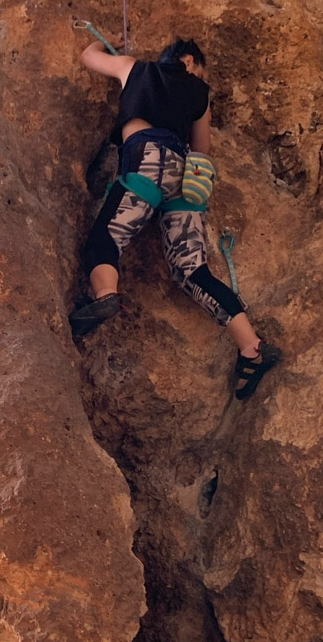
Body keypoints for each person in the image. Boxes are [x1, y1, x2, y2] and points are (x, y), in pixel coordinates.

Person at [70, 36, 281, 399]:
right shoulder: (199, 93)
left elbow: (89, 56)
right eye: (201, 68)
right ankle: (252, 348)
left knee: (105, 240)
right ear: (191, 61)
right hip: (185, 178)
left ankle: (105, 294)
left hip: (146, 165)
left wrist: (108, 43)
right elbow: (202, 150)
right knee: (193, 272)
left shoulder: (135, 68)